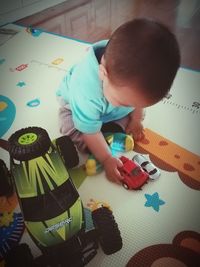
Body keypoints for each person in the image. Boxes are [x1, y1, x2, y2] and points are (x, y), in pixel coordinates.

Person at [56, 18, 180, 184]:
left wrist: (136, 119)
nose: (135, 106)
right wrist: (107, 158)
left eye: (136, 104)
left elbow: (134, 102)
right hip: (75, 107)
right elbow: (89, 130)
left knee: (126, 113)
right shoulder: (85, 90)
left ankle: (108, 132)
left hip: (109, 107)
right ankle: (103, 139)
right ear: (103, 73)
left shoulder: (126, 78)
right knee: (72, 129)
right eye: (126, 102)